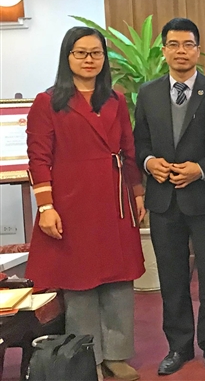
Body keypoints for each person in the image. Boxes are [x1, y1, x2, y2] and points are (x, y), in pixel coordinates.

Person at [25, 26, 146, 381]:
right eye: (81, 53)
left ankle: (117, 354)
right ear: (68, 57)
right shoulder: (47, 102)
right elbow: (38, 157)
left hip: (115, 198)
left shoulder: (116, 99)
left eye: (96, 53)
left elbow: (128, 148)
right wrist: (46, 207)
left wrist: (137, 193)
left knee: (119, 279)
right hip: (72, 202)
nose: (89, 59)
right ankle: (85, 356)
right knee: (80, 282)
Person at [134, 18, 205, 375]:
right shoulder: (148, 93)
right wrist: (149, 163)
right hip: (163, 201)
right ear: (164, 51)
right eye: (173, 45)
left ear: (198, 50)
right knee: (172, 279)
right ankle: (178, 346)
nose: (181, 51)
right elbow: (139, 142)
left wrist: (200, 169)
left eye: (188, 44)